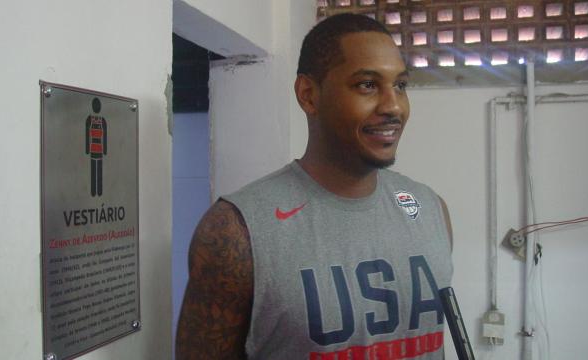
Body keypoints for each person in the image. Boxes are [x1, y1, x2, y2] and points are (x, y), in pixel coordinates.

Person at [176, 13, 453, 360]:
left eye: (400, 85)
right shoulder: (236, 231)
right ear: (309, 95)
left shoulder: (430, 210)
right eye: (367, 84)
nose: (394, 106)